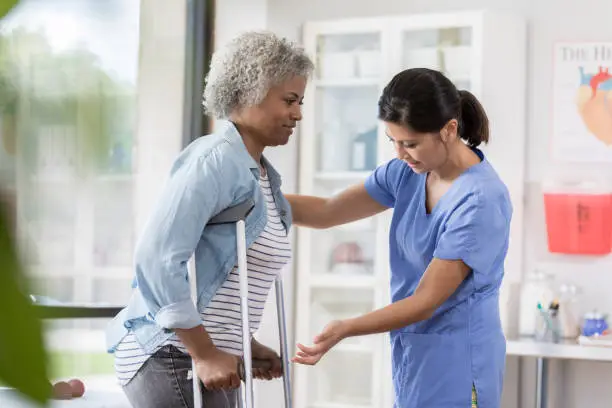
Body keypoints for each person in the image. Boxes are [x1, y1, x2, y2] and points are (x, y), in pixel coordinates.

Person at [104, 31, 314, 408]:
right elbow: (156, 259)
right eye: (289, 100)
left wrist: (243, 343)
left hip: (206, 353)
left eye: (300, 102)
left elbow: (223, 280)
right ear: (248, 91)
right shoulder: (212, 161)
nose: (298, 113)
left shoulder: (261, 176)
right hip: (172, 354)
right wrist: (203, 352)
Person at [286, 68, 512, 408]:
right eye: (393, 141)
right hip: (414, 353)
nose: (400, 154)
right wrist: (255, 199)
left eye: (410, 143)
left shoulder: (480, 200)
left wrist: (345, 328)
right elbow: (327, 211)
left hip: (460, 362)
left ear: (450, 130)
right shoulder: (407, 173)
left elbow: (425, 301)